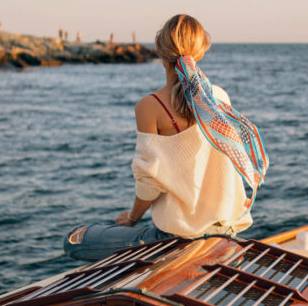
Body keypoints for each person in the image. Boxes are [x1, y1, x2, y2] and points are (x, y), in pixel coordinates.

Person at [64, 13, 268, 263]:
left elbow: (150, 185)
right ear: (201, 52)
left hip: (176, 239)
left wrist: (131, 219)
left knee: (74, 240)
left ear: (161, 54)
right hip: (226, 232)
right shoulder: (220, 98)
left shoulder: (150, 106)